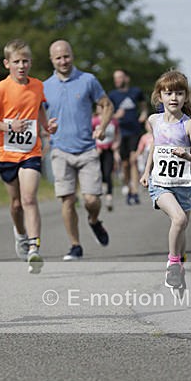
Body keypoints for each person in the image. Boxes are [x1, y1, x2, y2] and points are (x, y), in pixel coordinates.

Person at [0, 38, 50, 274]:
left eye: (26, 61)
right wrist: (7, 127)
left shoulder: (38, 86)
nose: (22, 66)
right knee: (16, 204)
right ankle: (20, 233)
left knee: (29, 198)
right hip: (7, 152)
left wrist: (47, 127)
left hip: (31, 151)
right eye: (17, 62)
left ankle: (34, 248)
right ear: (7, 63)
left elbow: (40, 109)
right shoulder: (1, 89)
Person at [43, 40, 113, 261]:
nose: (63, 61)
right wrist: (46, 130)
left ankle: (93, 220)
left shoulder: (88, 80)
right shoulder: (44, 87)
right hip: (59, 149)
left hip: (87, 149)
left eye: (66, 56)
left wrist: (101, 127)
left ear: (72, 56)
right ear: (52, 60)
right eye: (58, 58)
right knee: (67, 199)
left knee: (91, 199)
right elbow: (38, 116)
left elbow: (107, 104)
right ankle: (75, 245)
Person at [139, 70, 191, 292]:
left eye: (179, 93)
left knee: (182, 226)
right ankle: (173, 264)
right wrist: (147, 172)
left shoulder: (189, 125)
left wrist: (187, 155)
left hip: (183, 185)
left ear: (186, 97)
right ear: (160, 96)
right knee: (178, 220)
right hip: (161, 183)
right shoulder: (153, 120)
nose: (174, 98)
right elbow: (154, 147)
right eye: (169, 93)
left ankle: (179, 268)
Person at [108, 68, 147, 206]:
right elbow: (106, 114)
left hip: (134, 131)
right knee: (124, 164)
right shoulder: (112, 95)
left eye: (119, 77)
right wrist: (115, 116)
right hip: (120, 133)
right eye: (115, 78)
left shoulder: (136, 92)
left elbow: (143, 106)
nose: (117, 80)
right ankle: (128, 188)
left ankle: (135, 192)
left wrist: (143, 115)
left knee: (133, 160)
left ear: (126, 78)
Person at [92, 105, 120, 212]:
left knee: (108, 173)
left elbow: (118, 134)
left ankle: (109, 196)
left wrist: (116, 145)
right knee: (98, 173)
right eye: (100, 107)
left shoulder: (113, 121)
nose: (102, 110)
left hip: (109, 150)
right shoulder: (94, 121)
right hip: (97, 150)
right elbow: (89, 135)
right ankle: (98, 192)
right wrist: (95, 146)